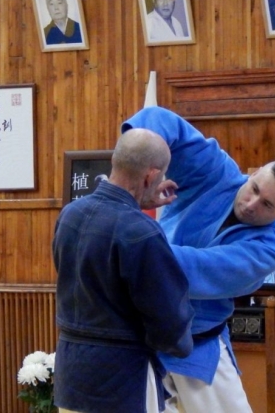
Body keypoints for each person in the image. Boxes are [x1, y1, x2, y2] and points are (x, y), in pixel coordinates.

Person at [122, 106, 275, 413]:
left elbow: (193, 269)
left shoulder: (266, 250)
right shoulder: (217, 173)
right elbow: (160, 119)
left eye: (266, 204)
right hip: (137, 333)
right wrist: (138, 176)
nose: (250, 204)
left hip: (197, 343)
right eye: (254, 189)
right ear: (252, 173)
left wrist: (127, 242)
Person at [52, 128, 194, 413]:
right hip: (121, 376)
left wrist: (139, 202)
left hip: (71, 369)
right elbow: (167, 319)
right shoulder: (141, 232)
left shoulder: (70, 214)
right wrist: (182, 345)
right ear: (151, 176)